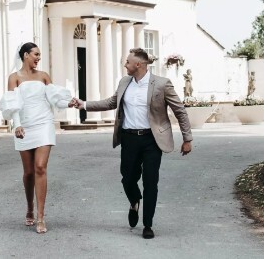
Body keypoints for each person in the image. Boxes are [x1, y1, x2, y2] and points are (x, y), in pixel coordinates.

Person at [71, 48, 192, 239]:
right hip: (129, 138)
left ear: (139, 64)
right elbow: (112, 102)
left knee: (150, 181)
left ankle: (148, 224)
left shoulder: (162, 84)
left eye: (128, 62)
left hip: (152, 140)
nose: (125, 65)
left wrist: (187, 138)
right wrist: (84, 104)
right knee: (127, 178)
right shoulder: (124, 82)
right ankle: (134, 200)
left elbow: (179, 110)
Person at [0, 42, 72, 234]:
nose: (39, 58)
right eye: (36, 54)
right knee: (29, 172)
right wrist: (17, 125)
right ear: (25, 55)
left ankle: (40, 216)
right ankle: (29, 206)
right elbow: (13, 102)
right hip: (24, 125)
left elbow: (54, 98)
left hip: (44, 124)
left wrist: (68, 103)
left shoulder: (44, 76)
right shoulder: (14, 78)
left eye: (39, 55)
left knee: (40, 167)